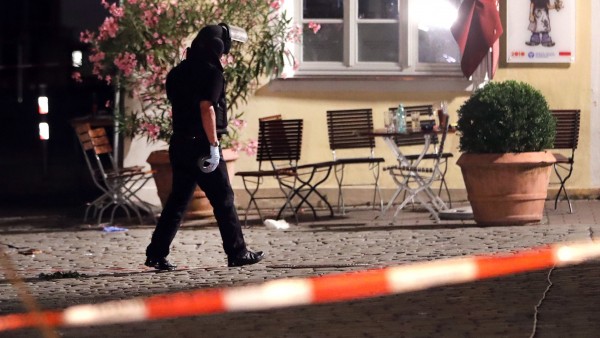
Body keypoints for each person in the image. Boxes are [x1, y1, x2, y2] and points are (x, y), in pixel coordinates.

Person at [144, 23, 264, 271]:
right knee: (223, 199)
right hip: (202, 146)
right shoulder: (212, 73)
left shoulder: (177, 72)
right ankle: (237, 252)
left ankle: (156, 253)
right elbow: (206, 107)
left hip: (180, 144)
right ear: (217, 48)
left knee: (177, 202)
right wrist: (213, 145)